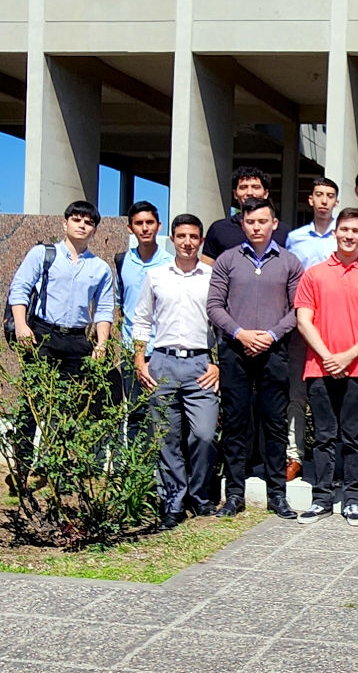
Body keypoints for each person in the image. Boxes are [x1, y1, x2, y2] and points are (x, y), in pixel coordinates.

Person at [6, 201, 116, 491]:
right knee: (33, 404)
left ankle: (59, 470)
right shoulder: (43, 254)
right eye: (76, 219)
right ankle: (21, 468)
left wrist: (101, 343)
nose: (81, 225)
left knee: (70, 407)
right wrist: (21, 325)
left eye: (88, 222)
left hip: (78, 339)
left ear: (94, 229)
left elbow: (104, 309)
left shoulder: (100, 268)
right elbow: (19, 289)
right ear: (64, 223)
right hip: (42, 334)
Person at [206, 197, 302, 520]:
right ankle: (234, 494)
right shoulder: (227, 260)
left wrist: (271, 335)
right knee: (235, 424)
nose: (256, 227)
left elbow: (298, 310)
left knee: (274, 424)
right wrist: (241, 333)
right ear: (242, 224)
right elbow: (214, 307)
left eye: (263, 221)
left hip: (274, 351)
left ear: (274, 223)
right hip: (235, 351)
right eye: (250, 222)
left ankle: (278, 494)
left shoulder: (289, 262)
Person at [294, 208, 358, 525]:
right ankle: (321, 499)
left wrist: (347, 356)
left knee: (353, 437)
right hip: (319, 369)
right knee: (322, 437)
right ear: (335, 232)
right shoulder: (314, 274)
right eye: (344, 229)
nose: (349, 235)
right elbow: (303, 320)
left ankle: (352, 500)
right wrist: (327, 356)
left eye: (356, 231)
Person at [131, 214, 219, 529]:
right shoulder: (156, 276)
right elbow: (141, 320)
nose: (187, 242)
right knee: (166, 438)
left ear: (201, 240)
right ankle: (172, 502)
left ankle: (199, 494)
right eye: (181, 236)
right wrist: (139, 360)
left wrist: (217, 362)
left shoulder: (211, 276)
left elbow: (219, 323)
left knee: (204, 435)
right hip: (163, 362)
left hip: (200, 364)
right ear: (172, 239)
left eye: (193, 237)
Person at [284, 175, 340, 480]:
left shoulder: (342, 235)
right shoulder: (296, 238)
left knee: (332, 392)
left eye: (329, 195)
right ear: (311, 200)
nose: (323, 200)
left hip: (334, 327)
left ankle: (331, 454)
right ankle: (294, 455)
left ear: (335, 201)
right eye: (319, 194)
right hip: (301, 325)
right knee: (297, 392)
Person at [114, 201, 172, 438]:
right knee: (136, 411)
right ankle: (136, 472)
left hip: (163, 349)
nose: (145, 228)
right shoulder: (121, 261)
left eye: (150, 223)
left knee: (164, 413)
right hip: (132, 349)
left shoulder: (171, 262)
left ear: (159, 226)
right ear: (130, 228)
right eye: (139, 223)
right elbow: (119, 304)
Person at [201, 167, 290, 264]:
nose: (249, 193)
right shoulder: (219, 229)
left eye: (255, 187)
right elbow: (207, 269)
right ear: (235, 194)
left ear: (266, 193)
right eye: (243, 187)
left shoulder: (283, 231)